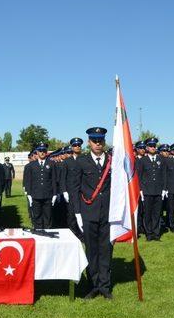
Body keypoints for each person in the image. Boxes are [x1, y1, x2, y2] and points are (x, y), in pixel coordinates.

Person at [68, 127, 113, 300]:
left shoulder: (111, 160)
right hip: (88, 213)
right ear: (89, 142)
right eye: (94, 140)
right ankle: (93, 285)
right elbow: (74, 189)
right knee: (91, 251)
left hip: (108, 213)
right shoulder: (81, 161)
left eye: (100, 140)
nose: (97, 143)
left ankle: (105, 285)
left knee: (106, 249)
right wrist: (78, 213)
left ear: (104, 141)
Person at [136, 137, 167, 241]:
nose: (153, 148)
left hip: (158, 191)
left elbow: (164, 175)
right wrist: (140, 191)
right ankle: (149, 234)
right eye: (151, 146)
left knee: (157, 213)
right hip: (147, 191)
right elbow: (139, 177)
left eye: (154, 146)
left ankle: (156, 233)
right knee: (147, 213)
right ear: (147, 147)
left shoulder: (161, 159)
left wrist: (164, 189)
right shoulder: (142, 161)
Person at [26, 142, 58, 229]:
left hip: (48, 195)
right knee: (37, 217)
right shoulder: (31, 165)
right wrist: (29, 194)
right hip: (35, 195)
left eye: (44, 150)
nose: (42, 152)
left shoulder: (52, 164)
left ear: (46, 151)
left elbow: (54, 180)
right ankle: (38, 233)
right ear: (37, 152)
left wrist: (55, 194)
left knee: (48, 217)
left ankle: (48, 234)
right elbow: (28, 181)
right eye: (40, 150)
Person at [62, 138, 85, 240]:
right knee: (71, 216)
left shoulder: (85, 159)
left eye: (79, 145)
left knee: (83, 215)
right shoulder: (67, 161)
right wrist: (64, 191)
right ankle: (73, 235)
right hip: (71, 193)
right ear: (72, 147)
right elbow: (63, 178)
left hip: (83, 193)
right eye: (75, 145)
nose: (77, 147)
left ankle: (83, 235)